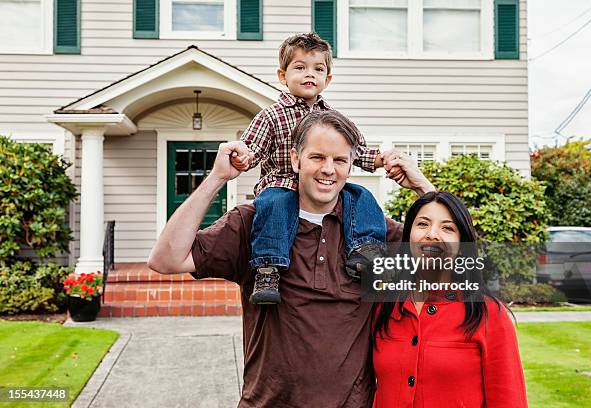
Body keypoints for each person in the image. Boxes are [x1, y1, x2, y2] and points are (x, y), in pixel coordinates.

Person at [147, 110, 435, 407]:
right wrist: (216, 178)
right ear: (296, 159)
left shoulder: (372, 232)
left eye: (339, 160)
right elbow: (166, 259)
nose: (328, 169)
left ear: (351, 166)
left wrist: (422, 187)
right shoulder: (254, 223)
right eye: (317, 157)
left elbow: (455, 265)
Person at [230, 32, 392, 305]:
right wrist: (242, 157)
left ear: (327, 79)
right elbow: (252, 148)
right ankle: (268, 269)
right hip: (282, 184)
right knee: (274, 204)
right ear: (283, 75)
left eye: (318, 69)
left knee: (360, 195)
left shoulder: (333, 118)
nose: (310, 74)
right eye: (300, 67)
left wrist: (383, 160)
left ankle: (365, 251)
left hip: (322, 185)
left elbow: (357, 152)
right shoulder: (271, 115)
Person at [372, 191, 528, 408]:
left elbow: (509, 401)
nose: (432, 235)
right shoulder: (384, 307)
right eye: (423, 224)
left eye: (447, 228)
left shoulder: (489, 314)